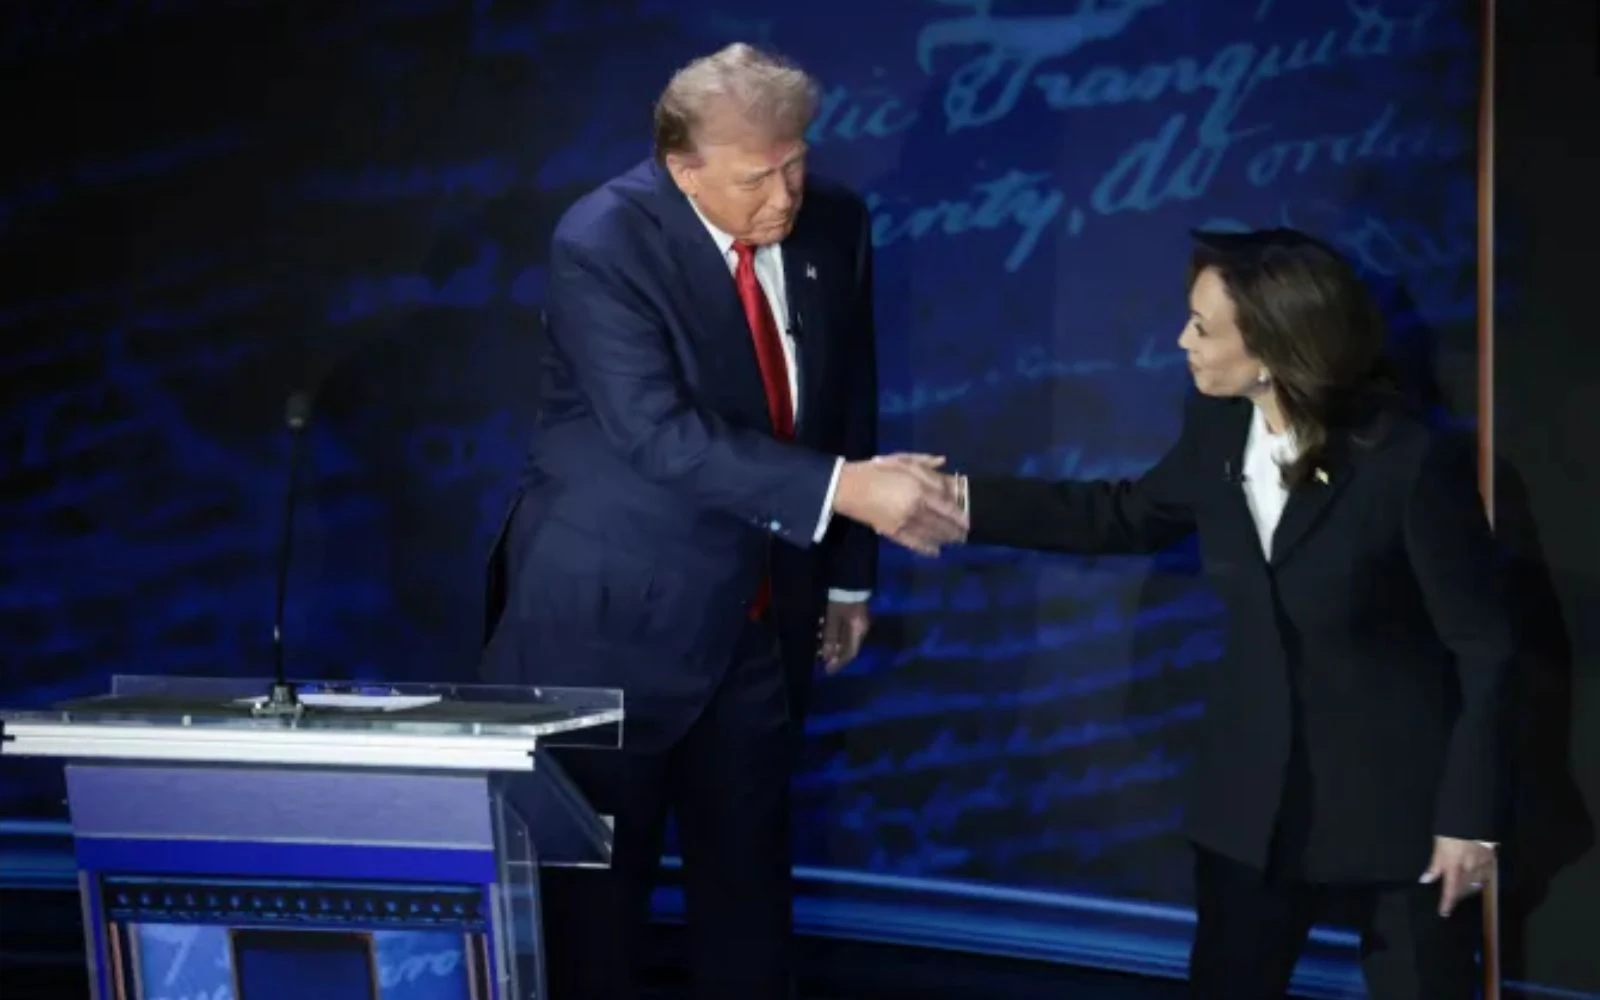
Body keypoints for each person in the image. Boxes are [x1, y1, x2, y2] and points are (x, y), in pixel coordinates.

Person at [895, 228, 1513, 999]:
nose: (1181, 340)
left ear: (1276, 347)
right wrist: (955, 503)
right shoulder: (1217, 426)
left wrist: (1467, 818)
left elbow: (1484, 645)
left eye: (1203, 327)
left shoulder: (1407, 463)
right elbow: (1120, 516)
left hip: (1402, 811)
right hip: (1252, 802)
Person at [479, 43, 966, 1000]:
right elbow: (656, 433)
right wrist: (850, 493)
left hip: (761, 612)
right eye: (756, 177)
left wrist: (846, 573)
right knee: (595, 921)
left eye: (796, 161)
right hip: (610, 626)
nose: (784, 195)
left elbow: (844, 398)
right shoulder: (604, 240)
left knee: (748, 899)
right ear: (682, 166)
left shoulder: (834, 221)